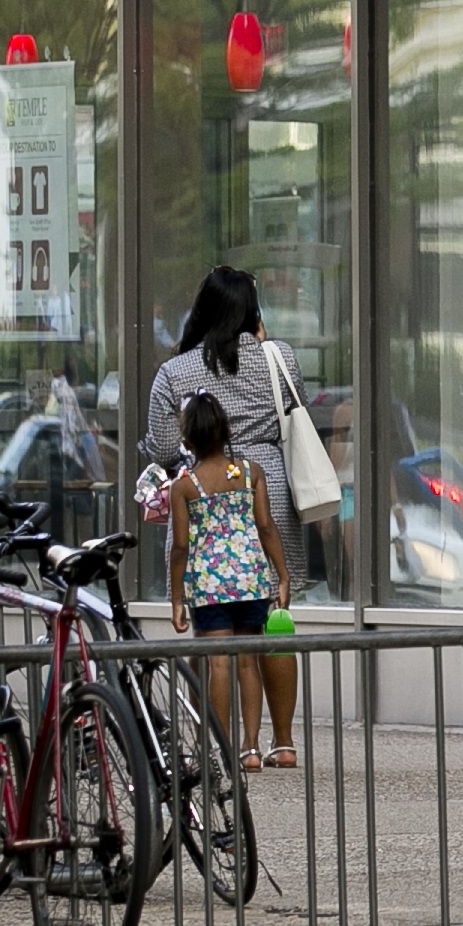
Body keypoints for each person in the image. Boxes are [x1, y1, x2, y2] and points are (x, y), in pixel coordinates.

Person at [142, 267, 311, 745]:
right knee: (273, 622)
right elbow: (292, 407)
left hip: (204, 499)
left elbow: (159, 447)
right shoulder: (279, 358)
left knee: (211, 636)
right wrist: (264, 340)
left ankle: (214, 741)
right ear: (253, 313)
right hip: (267, 487)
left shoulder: (175, 371)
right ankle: (279, 741)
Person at [166, 390, 294, 767]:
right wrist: (281, 575)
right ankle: (251, 748)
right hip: (251, 579)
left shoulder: (184, 486)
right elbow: (266, 526)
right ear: (226, 431)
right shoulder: (250, 472)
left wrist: (177, 597)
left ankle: (219, 748)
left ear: (187, 440)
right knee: (247, 663)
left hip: (209, 586)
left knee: (218, 664)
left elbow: (179, 546)